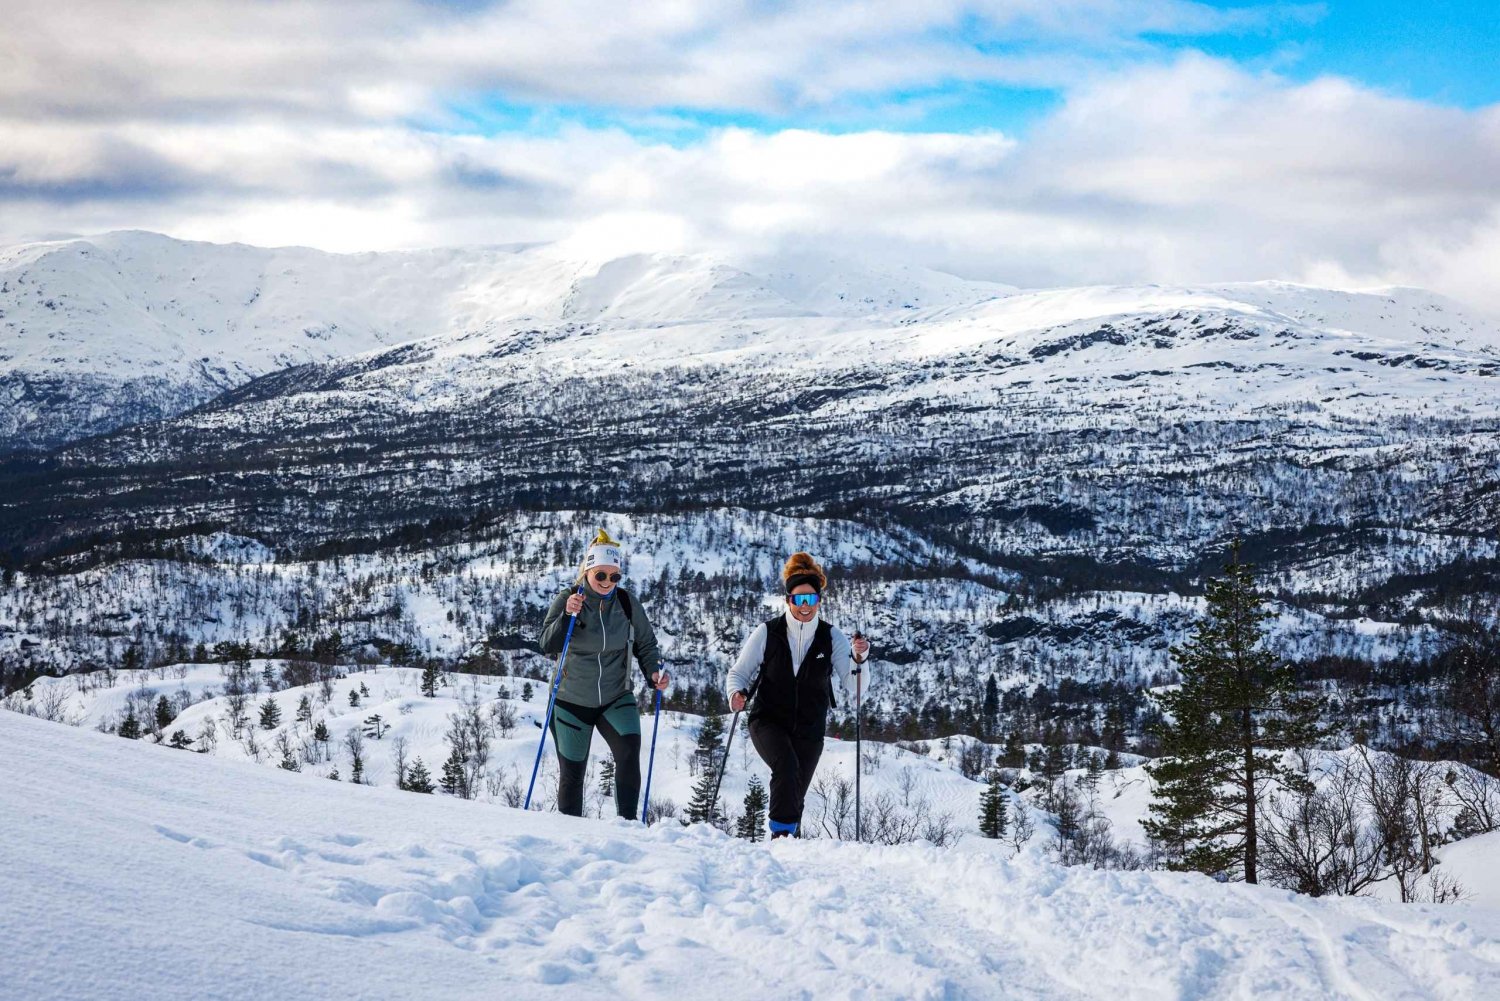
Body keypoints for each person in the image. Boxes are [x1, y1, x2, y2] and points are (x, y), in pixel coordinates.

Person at [726, 552, 872, 838]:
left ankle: (790, 849)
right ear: (788, 600)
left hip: (809, 728)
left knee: (795, 792)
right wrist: (735, 694)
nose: (805, 606)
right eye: (799, 599)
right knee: (787, 766)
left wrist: (860, 658)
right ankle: (781, 837)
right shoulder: (768, 632)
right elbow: (738, 673)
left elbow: (855, 685)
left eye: (811, 599)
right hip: (768, 720)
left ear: (819, 600)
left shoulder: (831, 637)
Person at [539, 530, 669, 819]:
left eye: (614, 576)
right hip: (571, 701)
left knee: (629, 752)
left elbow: (647, 644)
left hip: (615, 696)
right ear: (587, 572)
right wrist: (567, 617)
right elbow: (546, 643)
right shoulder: (568, 599)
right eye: (601, 575)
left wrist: (654, 672)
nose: (608, 582)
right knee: (572, 773)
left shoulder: (626, 603)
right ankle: (570, 833)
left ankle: (628, 827)